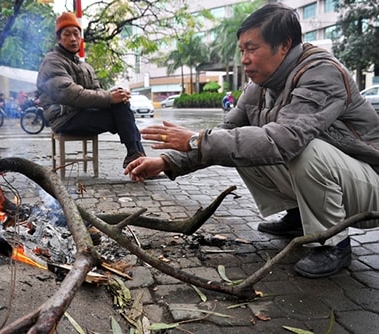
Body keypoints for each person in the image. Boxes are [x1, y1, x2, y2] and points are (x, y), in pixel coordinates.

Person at [124, 3, 379, 278]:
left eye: (252, 49)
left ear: (283, 45)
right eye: (242, 50)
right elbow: (225, 132)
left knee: (306, 150)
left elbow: (286, 140)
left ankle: (333, 243)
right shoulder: (258, 87)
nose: (244, 58)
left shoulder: (321, 73)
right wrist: (164, 162)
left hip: (369, 184)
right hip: (342, 180)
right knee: (240, 145)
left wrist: (196, 139)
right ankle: (299, 217)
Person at [36, 12, 145, 168]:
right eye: (67, 34)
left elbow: (97, 91)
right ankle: (137, 157)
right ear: (59, 39)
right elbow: (71, 93)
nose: (73, 38)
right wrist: (109, 98)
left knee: (121, 105)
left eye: (76, 34)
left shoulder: (85, 66)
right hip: (65, 118)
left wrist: (115, 95)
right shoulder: (52, 61)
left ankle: (136, 156)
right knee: (122, 118)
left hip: (82, 114)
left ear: (81, 38)